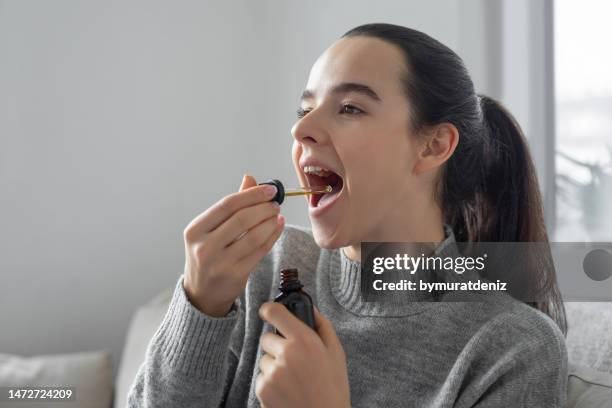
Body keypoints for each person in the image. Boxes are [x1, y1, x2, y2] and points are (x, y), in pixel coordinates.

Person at [127, 23, 568, 407]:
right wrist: (201, 303)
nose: (300, 130)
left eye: (350, 108)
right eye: (304, 110)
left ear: (433, 146)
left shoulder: (513, 348)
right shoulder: (266, 267)